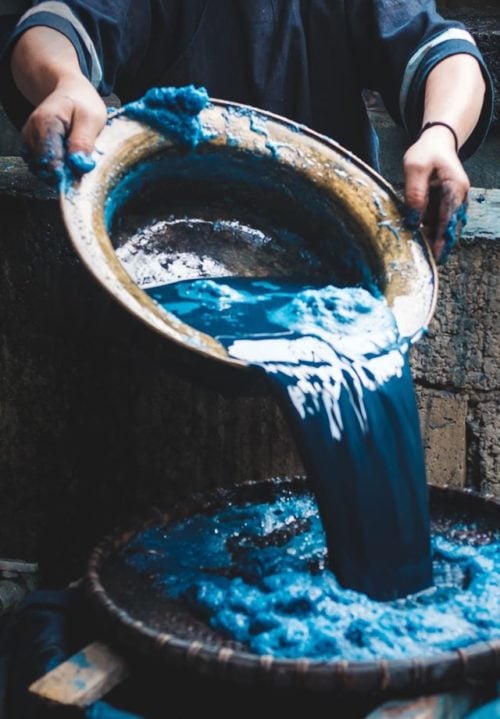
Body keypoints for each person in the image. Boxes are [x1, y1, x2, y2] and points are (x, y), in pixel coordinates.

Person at [0, 0, 494, 263]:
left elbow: (441, 49)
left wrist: (440, 135)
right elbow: (55, 24)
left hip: (332, 244)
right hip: (171, 237)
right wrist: (66, 80)